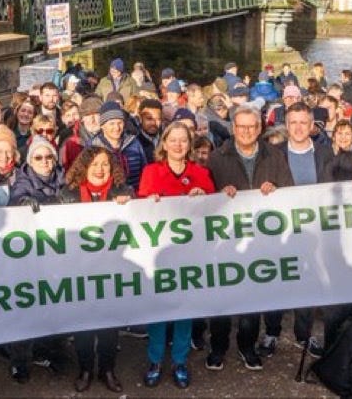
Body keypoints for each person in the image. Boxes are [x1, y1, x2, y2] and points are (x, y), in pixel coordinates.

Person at [206, 106, 293, 368]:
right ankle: (218, 347)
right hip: (225, 241)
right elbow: (204, 199)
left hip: (260, 241)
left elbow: (290, 192)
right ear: (233, 128)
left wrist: (275, 189)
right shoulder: (217, 158)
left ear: (259, 128)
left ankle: (247, 346)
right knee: (221, 299)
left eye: (251, 126)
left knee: (252, 299)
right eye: (241, 126)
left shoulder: (275, 156)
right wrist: (220, 193)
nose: (246, 131)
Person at [138, 122, 215, 390]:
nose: (178, 145)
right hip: (160, 251)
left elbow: (214, 211)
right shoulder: (151, 171)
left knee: (185, 308)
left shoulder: (200, 173)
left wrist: (203, 198)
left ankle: (180, 360)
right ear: (164, 143)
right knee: (158, 308)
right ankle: (155, 360)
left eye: (183, 140)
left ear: (190, 144)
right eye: (173, 140)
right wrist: (149, 202)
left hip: (190, 252)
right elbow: (140, 211)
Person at [260, 103, 333, 359]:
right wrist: (266, 187)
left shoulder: (325, 153)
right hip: (280, 232)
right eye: (293, 123)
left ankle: (304, 334)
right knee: (276, 283)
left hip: (313, 232)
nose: (299, 128)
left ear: (312, 126)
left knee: (308, 283)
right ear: (286, 125)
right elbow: (262, 187)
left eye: (303, 122)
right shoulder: (272, 153)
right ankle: (272, 332)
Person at [59, 146, 133, 393]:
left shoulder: (123, 192)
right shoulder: (67, 195)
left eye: (105, 164)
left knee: (109, 326)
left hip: (111, 272)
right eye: (94, 164)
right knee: (83, 327)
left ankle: (107, 369)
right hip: (79, 271)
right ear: (84, 167)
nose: (100, 170)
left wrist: (127, 205)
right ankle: (86, 369)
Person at [88, 101, 147, 191]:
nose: (117, 128)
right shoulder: (93, 146)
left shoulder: (134, 143)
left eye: (120, 123)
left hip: (136, 195)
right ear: (103, 126)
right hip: (107, 196)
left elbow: (145, 170)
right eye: (111, 123)